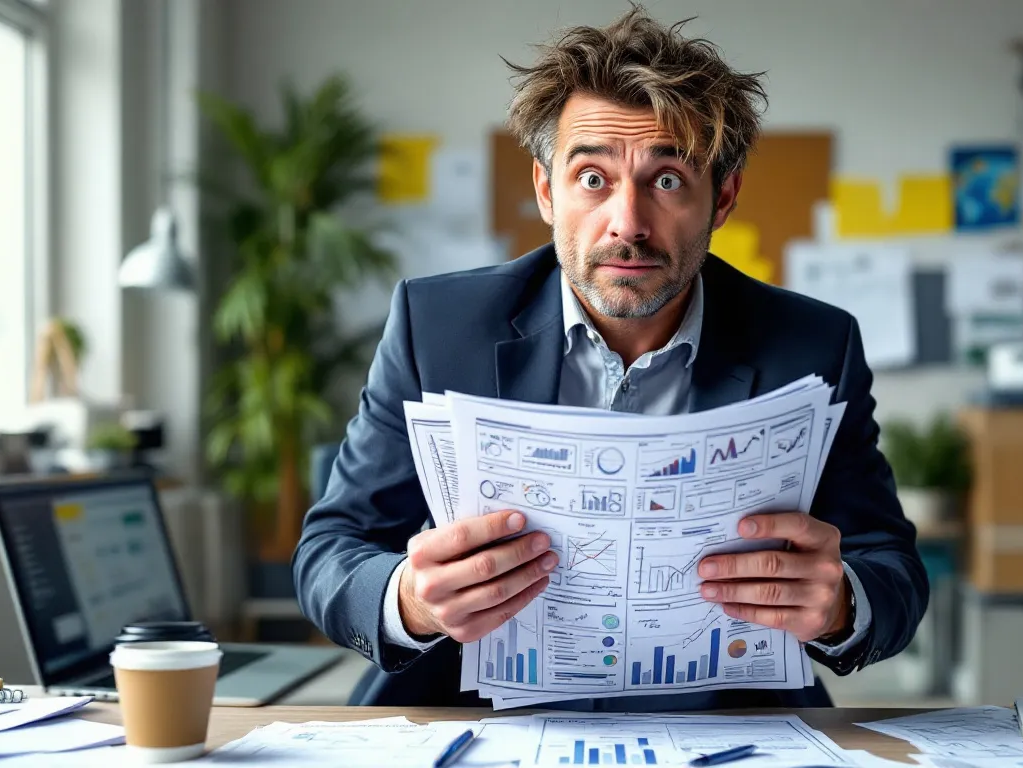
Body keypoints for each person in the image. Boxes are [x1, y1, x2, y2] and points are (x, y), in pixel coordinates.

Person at [294, 6, 928, 710]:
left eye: (668, 180)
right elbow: (332, 549)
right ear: (547, 191)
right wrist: (409, 600)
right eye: (593, 179)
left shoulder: (813, 346)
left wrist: (840, 604)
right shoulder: (437, 328)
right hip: (472, 724)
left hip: (730, 731)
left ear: (722, 198)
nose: (627, 223)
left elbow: (892, 569)